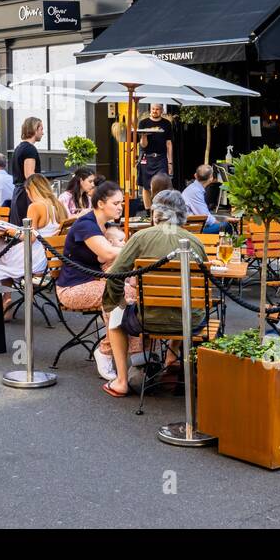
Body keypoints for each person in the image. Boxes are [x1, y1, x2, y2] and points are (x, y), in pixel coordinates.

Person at [101, 189, 209, 397]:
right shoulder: (195, 241)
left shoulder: (141, 237)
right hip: (191, 321)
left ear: (155, 214)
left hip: (147, 318)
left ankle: (122, 381)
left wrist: (117, 301)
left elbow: (115, 274)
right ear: (182, 214)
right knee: (182, 304)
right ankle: (171, 360)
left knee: (114, 315)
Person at [56, 181, 125, 379]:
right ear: (101, 203)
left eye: (121, 203)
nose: (120, 207)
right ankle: (105, 352)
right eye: (116, 203)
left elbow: (108, 257)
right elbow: (107, 253)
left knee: (134, 294)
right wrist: (133, 249)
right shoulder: (86, 224)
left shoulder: (105, 225)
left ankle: (136, 358)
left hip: (96, 282)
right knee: (121, 295)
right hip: (73, 287)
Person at [0, 173, 67, 302]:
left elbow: (30, 238)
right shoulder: (58, 205)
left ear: (29, 190)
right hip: (52, 258)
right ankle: (25, 293)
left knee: (1, 257)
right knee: (4, 255)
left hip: (35, 257)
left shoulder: (35, 207)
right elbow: (45, 232)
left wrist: (11, 231)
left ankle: (6, 300)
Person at [8, 117, 44, 225]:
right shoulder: (29, 149)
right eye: (41, 129)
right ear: (35, 129)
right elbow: (29, 175)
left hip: (19, 193)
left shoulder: (19, 147)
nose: (43, 133)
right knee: (27, 229)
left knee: (20, 228)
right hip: (26, 194)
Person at [137, 103, 174, 191]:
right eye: (153, 109)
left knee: (162, 184)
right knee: (146, 187)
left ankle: (159, 204)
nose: (154, 111)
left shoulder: (167, 123)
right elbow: (143, 145)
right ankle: (148, 206)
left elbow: (169, 144)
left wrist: (170, 163)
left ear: (162, 111)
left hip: (161, 158)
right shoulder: (143, 123)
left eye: (157, 109)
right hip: (147, 157)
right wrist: (144, 136)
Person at [182, 164, 226, 233]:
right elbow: (207, 218)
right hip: (192, 229)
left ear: (195, 175)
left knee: (225, 224)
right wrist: (221, 224)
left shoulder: (194, 188)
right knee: (227, 226)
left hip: (193, 225)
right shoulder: (195, 191)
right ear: (211, 178)